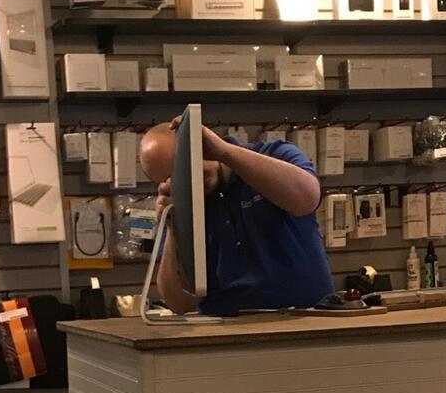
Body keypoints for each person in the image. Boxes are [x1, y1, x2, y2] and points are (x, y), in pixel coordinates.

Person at [138, 117, 332, 316]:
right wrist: (174, 227)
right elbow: (180, 304)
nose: (189, 183)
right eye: (172, 180)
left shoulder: (275, 154)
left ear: (202, 145)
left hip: (306, 317)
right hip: (228, 326)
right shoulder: (181, 206)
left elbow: (307, 199)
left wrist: (224, 152)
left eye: (187, 169)